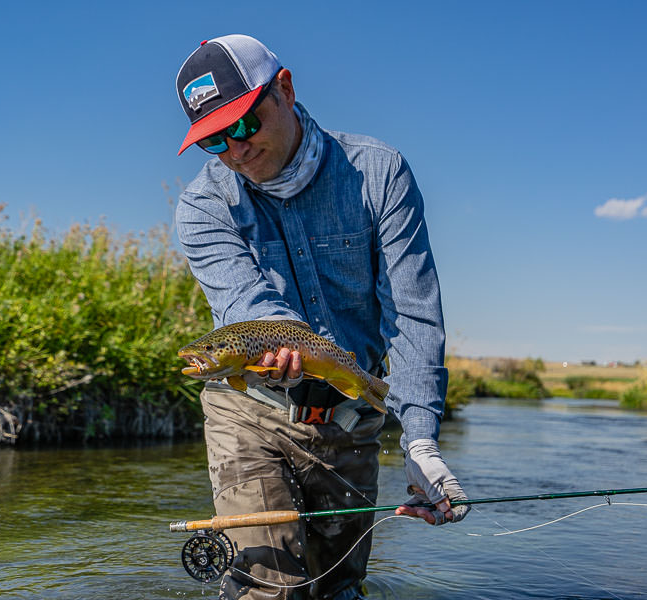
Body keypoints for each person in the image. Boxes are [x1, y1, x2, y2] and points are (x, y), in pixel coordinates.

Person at [173, 34, 468, 600]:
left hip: (351, 415)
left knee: (338, 591)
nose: (235, 149)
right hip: (250, 413)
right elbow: (248, 310)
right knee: (270, 592)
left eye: (243, 124)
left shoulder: (378, 173)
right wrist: (275, 358)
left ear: (283, 88)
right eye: (213, 139)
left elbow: (412, 315)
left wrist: (421, 442)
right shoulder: (203, 207)